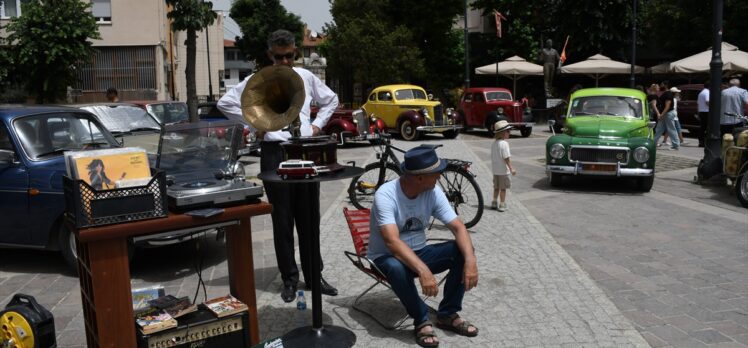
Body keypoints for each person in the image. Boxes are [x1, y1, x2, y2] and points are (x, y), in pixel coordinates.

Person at [217, 29, 340, 303]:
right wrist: (255, 123)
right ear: (269, 55)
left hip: (304, 149)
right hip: (274, 151)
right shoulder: (256, 80)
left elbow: (331, 100)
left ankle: (314, 275)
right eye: (279, 57)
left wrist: (317, 126)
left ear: (295, 52)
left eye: (289, 56)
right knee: (281, 219)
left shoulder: (307, 77)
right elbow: (224, 102)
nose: (285, 62)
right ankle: (289, 278)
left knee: (309, 218)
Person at [368, 146, 479, 347]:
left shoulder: (433, 191)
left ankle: (447, 314)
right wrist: (423, 270)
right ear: (420, 178)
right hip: (386, 257)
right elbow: (392, 242)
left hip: (419, 252)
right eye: (436, 173)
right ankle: (421, 320)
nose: (439, 176)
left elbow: (458, 227)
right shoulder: (386, 195)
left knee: (461, 250)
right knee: (395, 266)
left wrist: (470, 259)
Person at [490, 120, 517, 212]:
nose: (510, 133)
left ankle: (494, 202)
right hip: (503, 171)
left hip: (495, 171)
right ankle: (502, 204)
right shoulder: (504, 144)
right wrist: (511, 168)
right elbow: (506, 158)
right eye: (508, 131)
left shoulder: (494, 144)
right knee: (503, 189)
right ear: (502, 133)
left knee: (496, 187)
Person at [654, 81, 679, 150]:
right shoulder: (666, 93)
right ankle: (653, 143)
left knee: (671, 129)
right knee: (659, 129)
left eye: (661, 84)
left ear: (666, 85)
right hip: (666, 114)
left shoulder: (668, 94)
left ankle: (676, 145)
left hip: (668, 114)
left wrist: (661, 114)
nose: (660, 85)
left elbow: (667, 106)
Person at [697, 81, 710, 147]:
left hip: (701, 111)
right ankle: (706, 142)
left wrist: (698, 112)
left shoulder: (701, 93)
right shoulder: (707, 92)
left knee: (702, 127)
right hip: (707, 111)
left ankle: (701, 141)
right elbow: (707, 101)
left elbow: (698, 104)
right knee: (708, 128)